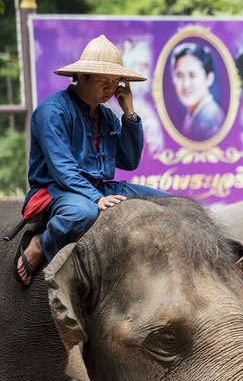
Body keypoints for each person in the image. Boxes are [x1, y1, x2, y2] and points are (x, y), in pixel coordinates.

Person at [16, 35, 170, 286]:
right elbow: (62, 170)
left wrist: (128, 113)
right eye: (104, 82)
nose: (111, 89)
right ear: (82, 77)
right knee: (82, 212)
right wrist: (96, 198)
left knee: (169, 205)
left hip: (99, 188)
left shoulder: (107, 115)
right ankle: (40, 245)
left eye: (116, 82)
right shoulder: (52, 111)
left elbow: (129, 161)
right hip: (58, 190)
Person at [172, 43, 225, 141]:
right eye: (179, 75)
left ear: (209, 78)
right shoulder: (191, 116)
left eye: (192, 75)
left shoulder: (211, 119)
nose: (185, 85)